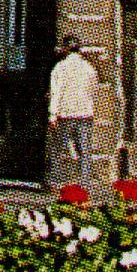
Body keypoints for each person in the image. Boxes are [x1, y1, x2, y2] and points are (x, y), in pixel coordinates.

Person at [45, 39, 99, 195]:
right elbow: (93, 89)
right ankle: (84, 184)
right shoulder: (89, 68)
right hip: (85, 112)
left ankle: (55, 182)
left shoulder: (60, 67)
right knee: (85, 151)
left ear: (65, 49)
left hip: (65, 113)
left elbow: (56, 92)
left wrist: (52, 114)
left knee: (58, 150)